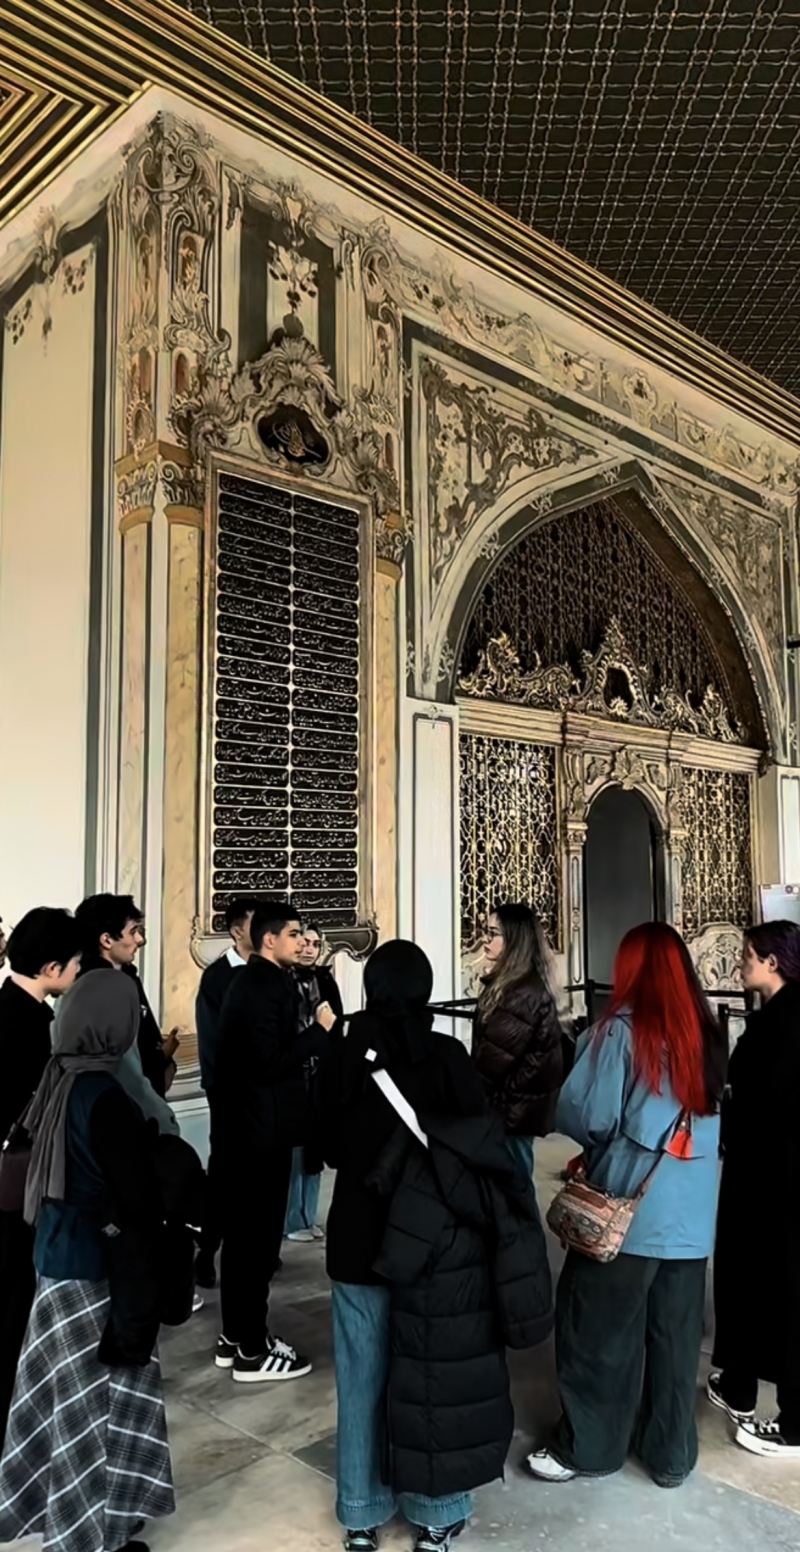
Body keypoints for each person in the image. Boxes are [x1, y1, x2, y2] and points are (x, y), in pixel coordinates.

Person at [323, 939, 553, 1552]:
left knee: (361, 1375)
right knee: (430, 1375)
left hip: (357, 1238)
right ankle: (435, 1511)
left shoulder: (345, 1050)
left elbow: (326, 1148)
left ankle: (361, 1512)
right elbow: (478, 1144)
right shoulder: (447, 1055)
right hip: (432, 1244)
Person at [527, 921, 727, 1489]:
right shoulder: (708, 1032)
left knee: (597, 1331)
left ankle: (589, 1447)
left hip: (629, 1214)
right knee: (675, 1341)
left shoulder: (619, 1032)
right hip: (691, 1218)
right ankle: (670, 1455)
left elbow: (586, 1117)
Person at [0, 970, 175, 1552]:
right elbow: (135, 1197)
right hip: (93, 1267)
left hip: (55, 1253)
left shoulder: (59, 1077)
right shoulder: (104, 1096)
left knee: (65, 1398)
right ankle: (84, 1538)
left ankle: (107, 1514)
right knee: (91, 1407)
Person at [213, 899, 336, 1382]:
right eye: (294, 934)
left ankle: (234, 1336)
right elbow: (270, 1062)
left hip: (253, 1130)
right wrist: (320, 1032)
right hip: (258, 1135)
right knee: (255, 1242)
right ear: (269, 940)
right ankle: (252, 1347)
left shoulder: (263, 982)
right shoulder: (261, 986)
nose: (302, 942)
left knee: (247, 1240)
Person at [709, 920, 800, 1459]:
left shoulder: (785, 1024)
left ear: (772, 961)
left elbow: (771, 1106)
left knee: (778, 1285)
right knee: (753, 1279)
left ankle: (794, 1422)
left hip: (774, 1181)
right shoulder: (776, 1016)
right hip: (764, 1177)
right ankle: (738, 1382)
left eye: (748, 954)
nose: (740, 962)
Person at [0, 908, 82, 1448]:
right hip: (17, 1190)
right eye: (75, 963)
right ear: (52, 967)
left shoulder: (16, 1008)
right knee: (14, 1304)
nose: (78, 972)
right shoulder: (27, 1027)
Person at [471, 902, 563, 1177]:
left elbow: (494, 1061)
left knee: (514, 1185)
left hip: (511, 1109)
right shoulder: (514, 985)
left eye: (492, 933)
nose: (484, 940)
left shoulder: (521, 993)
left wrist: (470, 1096)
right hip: (513, 1106)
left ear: (514, 939)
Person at [194, 895, 259, 1286]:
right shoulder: (218, 978)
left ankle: (255, 1249)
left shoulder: (270, 971)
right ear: (236, 932)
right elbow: (214, 1042)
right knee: (224, 1175)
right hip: (230, 1093)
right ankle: (207, 1252)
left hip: (263, 1094)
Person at [75, 893, 179, 1096]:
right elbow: (115, 1059)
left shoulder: (127, 976)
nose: (140, 940)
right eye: (133, 932)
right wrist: (162, 1057)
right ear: (106, 940)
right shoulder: (96, 988)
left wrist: (166, 1063)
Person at [285, 923, 344, 1243]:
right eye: (304, 942)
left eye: (315, 944)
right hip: (294, 1075)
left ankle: (309, 1215)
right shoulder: (284, 979)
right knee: (295, 1150)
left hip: (321, 1075)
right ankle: (292, 1220)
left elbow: (337, 1026)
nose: (309, 949)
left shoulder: (325, 979)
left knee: (315, 1148)